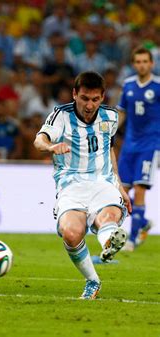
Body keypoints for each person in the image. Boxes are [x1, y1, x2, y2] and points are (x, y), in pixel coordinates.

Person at [33, 71, 132, 300]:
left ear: (103, 97)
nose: (90, 105)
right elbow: (39, 140)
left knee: (106, 219)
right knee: (71, 232)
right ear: (75, 94)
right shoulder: (61, 115)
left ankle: (109, 242)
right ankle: (93, 280)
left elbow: (109, 149)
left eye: (95, 99)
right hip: (71, 184)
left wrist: (119, 185)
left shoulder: (110, 117)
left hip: (103, 182)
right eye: (85, 98)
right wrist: (51, 147)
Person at [117, 46, 160, 251]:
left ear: (151, 63)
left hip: (150, 146)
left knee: (140, 189)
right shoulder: (128, 85)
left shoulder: (158, 86)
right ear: (134, 64)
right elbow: (122, 112)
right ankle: (142, 222)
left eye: (145, 61)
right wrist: (110, 134)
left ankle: (132, 240)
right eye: (138, 62)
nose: (142, 65)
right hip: (129, 146)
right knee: (121, 193)